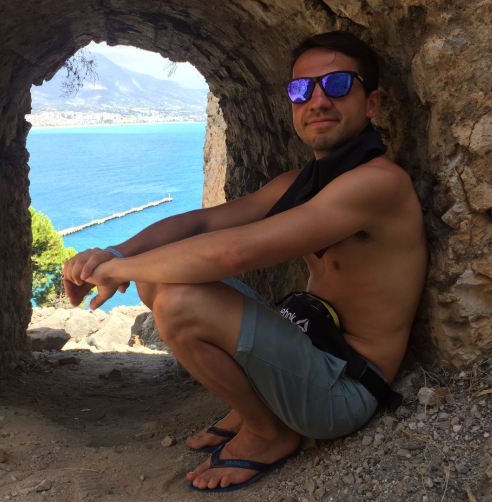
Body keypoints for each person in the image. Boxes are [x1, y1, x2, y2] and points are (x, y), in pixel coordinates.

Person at [62, 31, 428, 493]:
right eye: (302, 89)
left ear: (371, 102)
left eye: (337, 84)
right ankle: (255, 405)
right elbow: (202, 223)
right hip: (308, 345)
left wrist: (114, 272)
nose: (317, 100)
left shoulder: (376, 184)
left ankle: (267, 432)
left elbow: (230, 253)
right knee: (158, 283)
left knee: (178, 302)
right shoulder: (303, 182)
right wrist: (117, 252)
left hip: (343, 388)